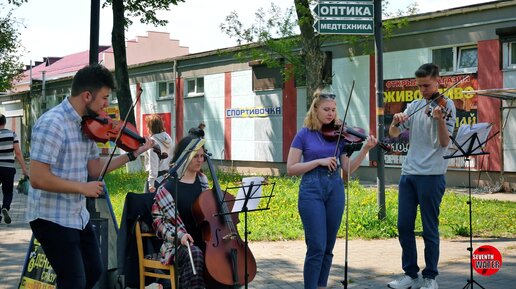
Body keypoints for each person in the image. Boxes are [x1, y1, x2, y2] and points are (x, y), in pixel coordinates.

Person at [27, 64, 154, 289]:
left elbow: (95, 169)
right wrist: (82, 188)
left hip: (77, 215)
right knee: (74, 280)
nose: (107, 104)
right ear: (87, 95)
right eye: (104, 98)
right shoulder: (52, 124)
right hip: (50, 216)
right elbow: (37, 178)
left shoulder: (88, 126)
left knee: (94, 271)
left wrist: (132, 155)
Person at [286, 89, 378, 289]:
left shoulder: (340, 136)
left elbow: (347, 169)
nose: (331, 113)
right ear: (315, 110)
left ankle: (321, 286)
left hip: (335, 189)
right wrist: (318, 161)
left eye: (334, 110)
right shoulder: (304, 135)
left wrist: (364, 150)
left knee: (328, 247)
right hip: (311, 190)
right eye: (326, 109)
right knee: (316, 246)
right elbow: (291, 168)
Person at [387, 63, 456, 289]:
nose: (423, 90)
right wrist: (396, 121)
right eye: (419, 86)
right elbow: (394, 134)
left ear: (438, 82)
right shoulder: (415, 105)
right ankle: (411, 274)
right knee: (404, 225)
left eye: (426, 85)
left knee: (429, 228)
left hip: (432, 174)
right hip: (409, 173)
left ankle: (430, 277)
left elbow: (445, 143)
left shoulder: (447, 106)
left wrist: (438, 120)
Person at [152, 135, 207, 289]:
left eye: (202, 156)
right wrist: (180, 236)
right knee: (195, 254)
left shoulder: (203, 181)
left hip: (205, 240)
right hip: (177, 245)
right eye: (195, 156)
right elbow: (159, 224)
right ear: (184, 157)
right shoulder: (167, 188)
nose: (200, 160)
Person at [0, 114, 29, 224]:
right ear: (4, 122)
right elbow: (17, 153)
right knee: (8, 192)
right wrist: (24, 169)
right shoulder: (12, 134)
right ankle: (5, 208)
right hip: (8, 168)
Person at [144, 114, 174, 193]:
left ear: (150, 127)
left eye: (147, 126)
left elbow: (153, 166)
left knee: (149, 203)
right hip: (168, 175)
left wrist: (151, 184)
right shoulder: (167, 138)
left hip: (156, 178)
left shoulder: (153, 143)